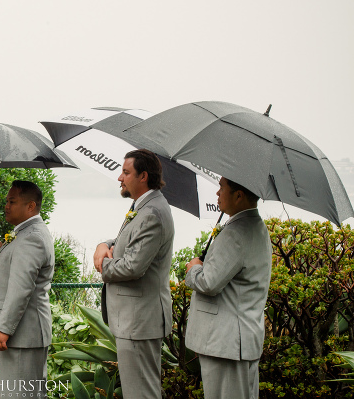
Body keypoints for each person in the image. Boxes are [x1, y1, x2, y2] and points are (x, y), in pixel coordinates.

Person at [93, 149, 175, 399]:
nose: (120, 178)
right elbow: (124, 241)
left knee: (142, 393)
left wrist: (101, 265)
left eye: (126, 172)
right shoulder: (142, 206)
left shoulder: (152, 213)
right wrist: (103, 245)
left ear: (143, 176)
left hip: (140, 321)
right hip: (134, 321)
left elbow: (132, 266)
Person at [185, 177, 272, 399]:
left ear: (238, 195)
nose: (217, 193)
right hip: (238, 341)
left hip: (227, 343)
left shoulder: (237, 232)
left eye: (221, 188)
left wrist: (194, 269)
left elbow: (208, 283)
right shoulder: (256, 226)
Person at [0, 180, 55, 399]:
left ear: (30, 206)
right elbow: (10, 274)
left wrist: (4, 329)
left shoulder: (32, 237)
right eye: (6, 201)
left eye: (12, 201)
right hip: (21, 335)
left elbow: (21, 289)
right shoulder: (23, 234)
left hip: (22, 335)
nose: (6, 206)